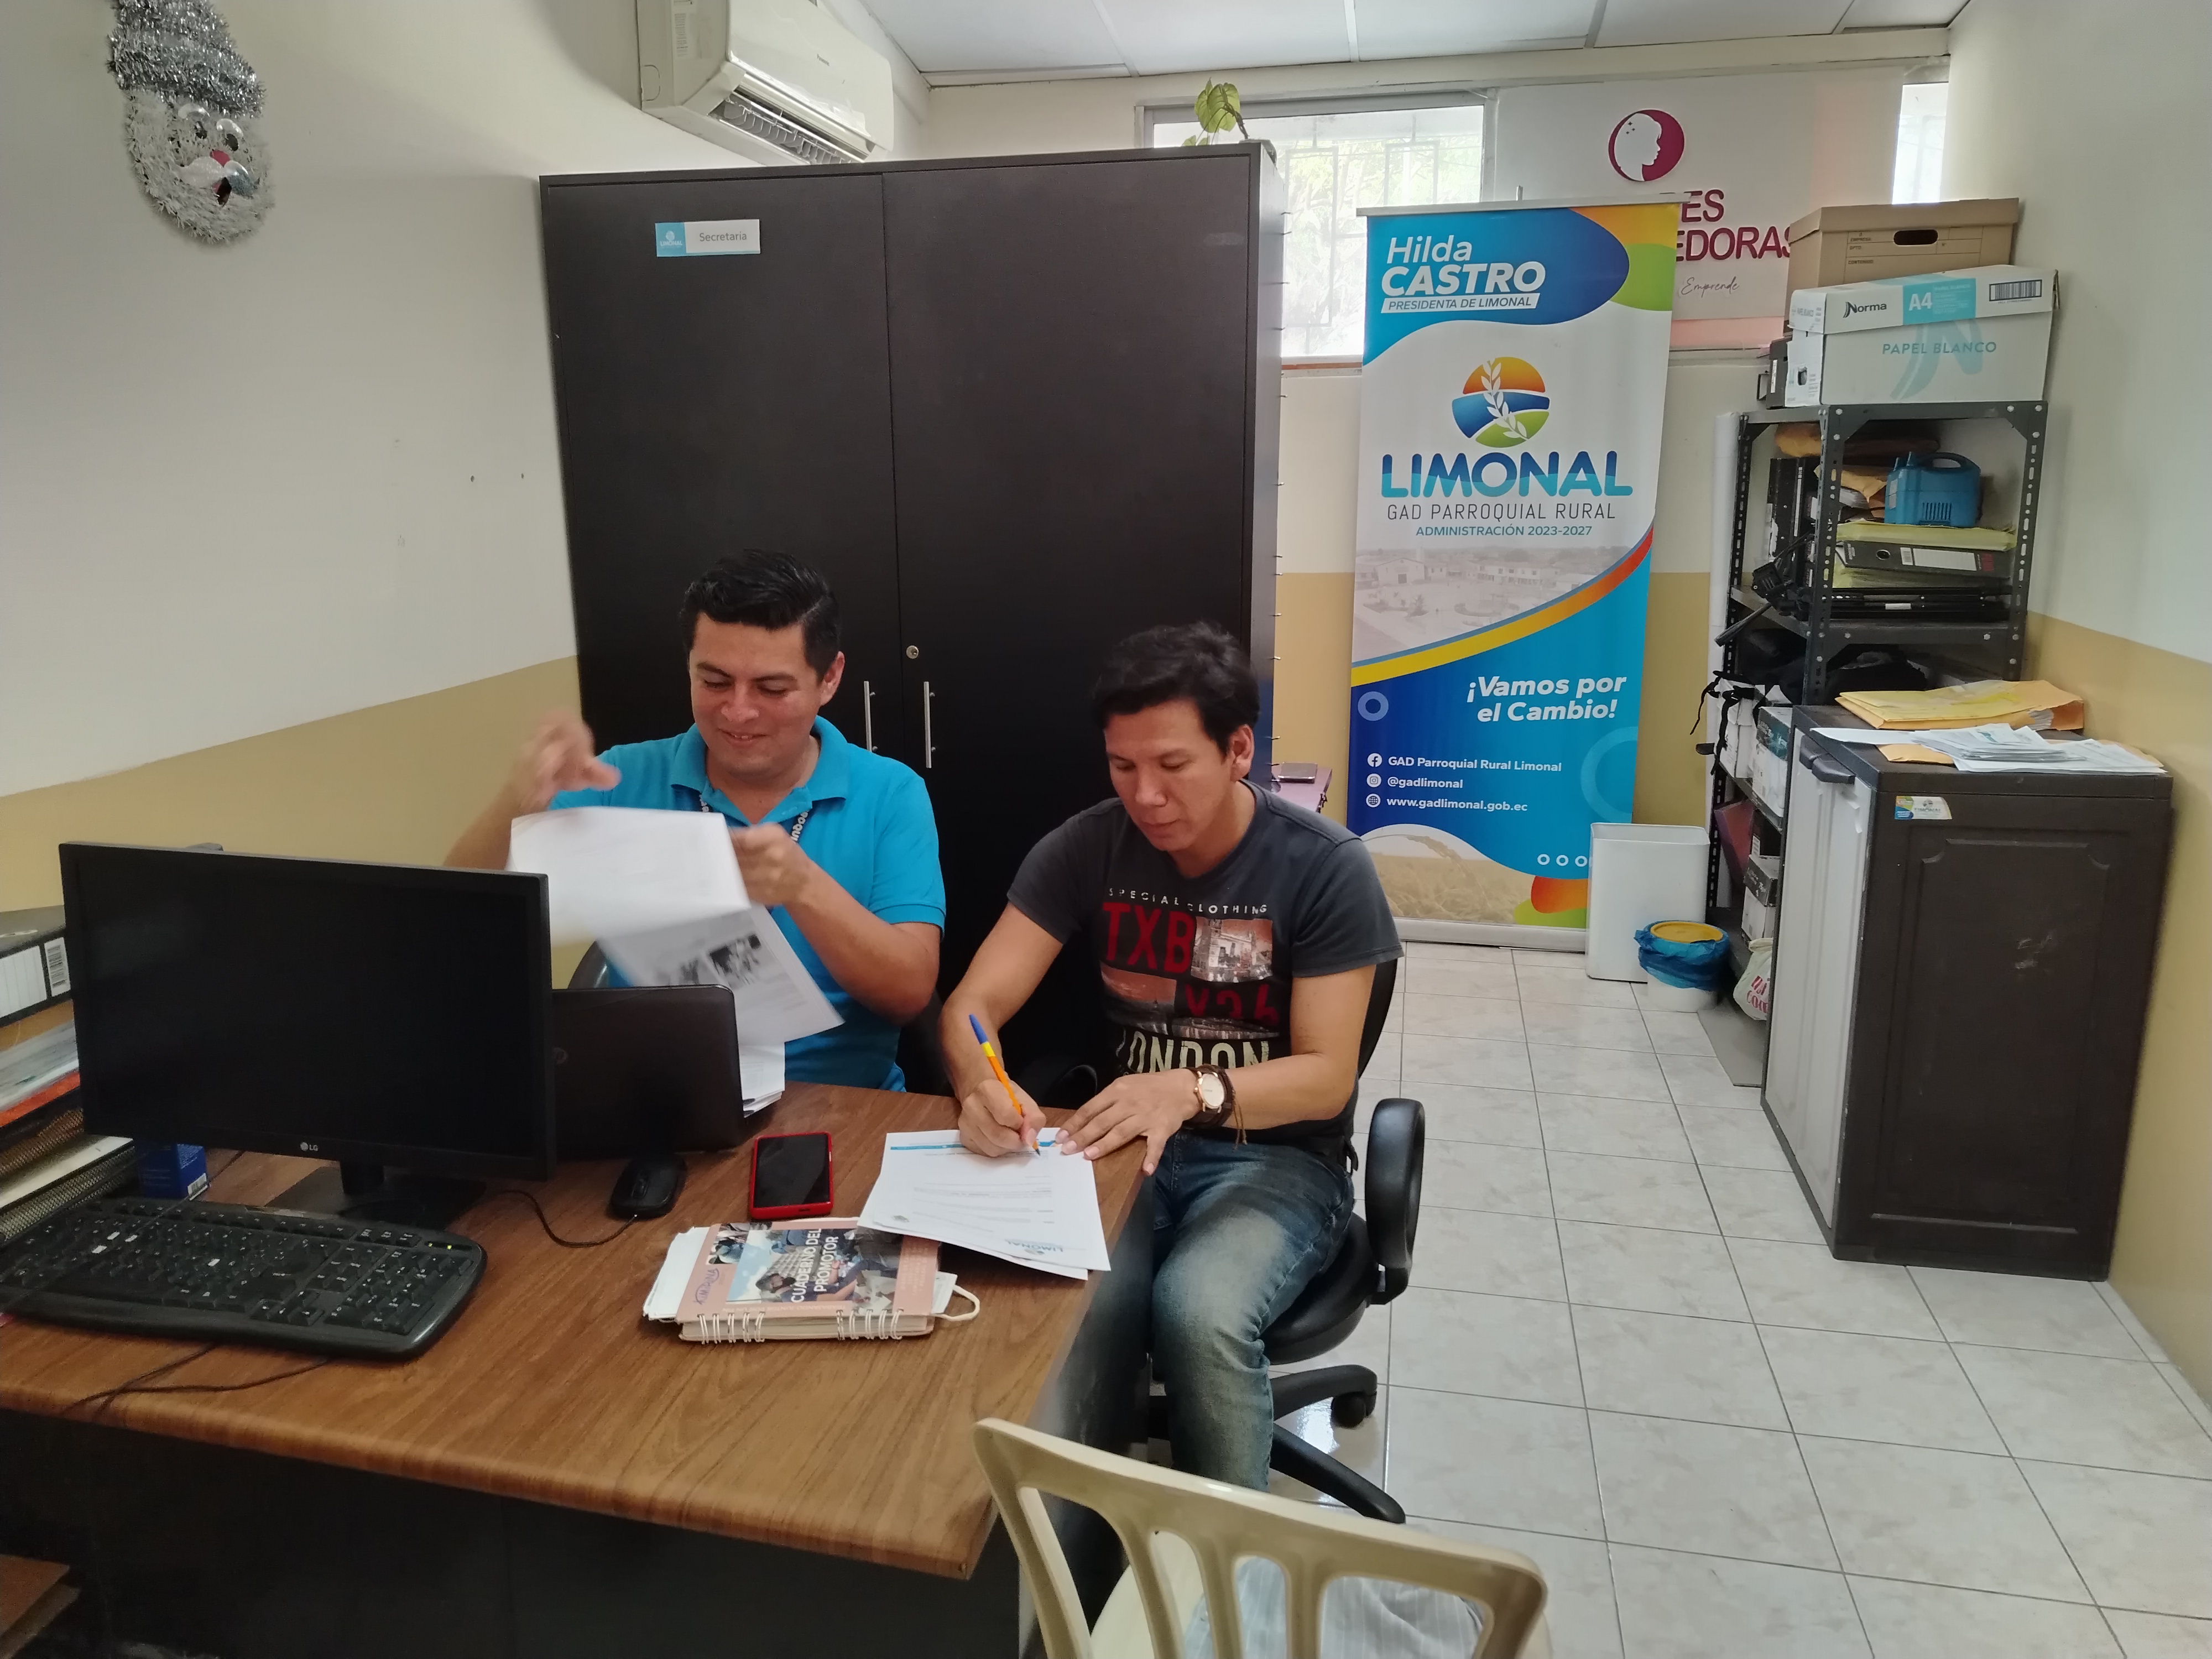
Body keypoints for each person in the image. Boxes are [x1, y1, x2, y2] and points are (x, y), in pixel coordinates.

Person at [940, 622, 1400, 1488]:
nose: (1145, 795)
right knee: (1013, 1285)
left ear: (1238, 750)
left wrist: (1192, 1091)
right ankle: (1064, 1529)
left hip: (1276, 1159)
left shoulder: (1325, 869)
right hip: (1125, 1145)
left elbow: (1325, 1077)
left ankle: (1220, 1557)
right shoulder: (1088, 845)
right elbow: (973, 1006)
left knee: (1197, 1313)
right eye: (1122, 767)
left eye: (1172, 765)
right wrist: (979, 1082)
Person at [447, 551, 943, 1089]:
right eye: (714, 682)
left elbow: (908, 993)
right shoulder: (619, 779)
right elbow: (460, 914)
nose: (738, 711)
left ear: (830, 679)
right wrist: (518, 798)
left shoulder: (890, 794)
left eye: (772, 689)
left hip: (841, 1100)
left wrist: (804, 888)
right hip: (658, 1095)